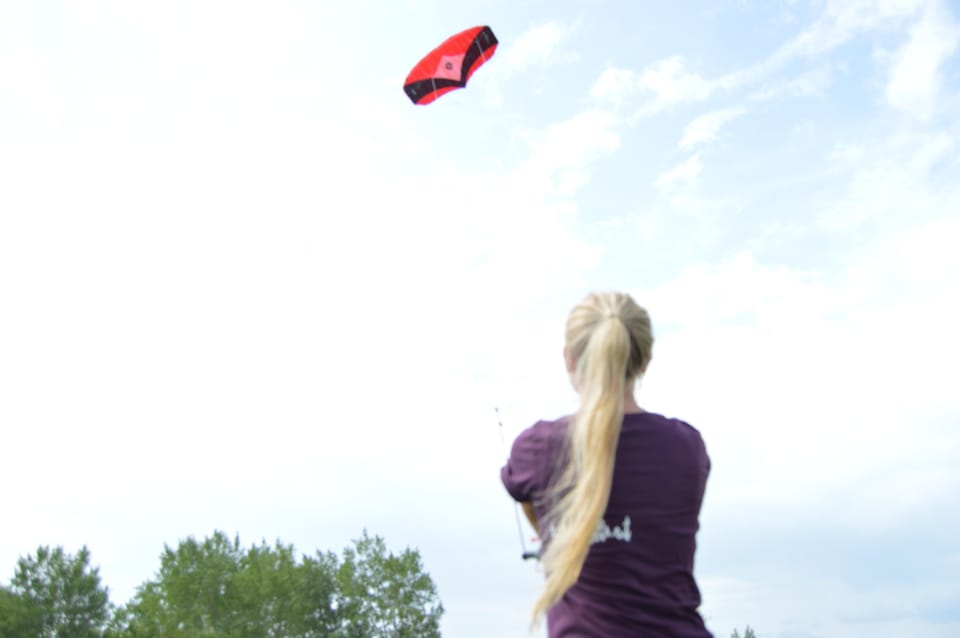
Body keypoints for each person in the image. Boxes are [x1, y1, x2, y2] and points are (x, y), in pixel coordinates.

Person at [501, 291, 713, 637]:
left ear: (569, 358)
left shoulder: (538, 450)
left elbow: (528, 501)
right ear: (644, 360)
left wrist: (561, 538)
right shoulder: (685, 447)